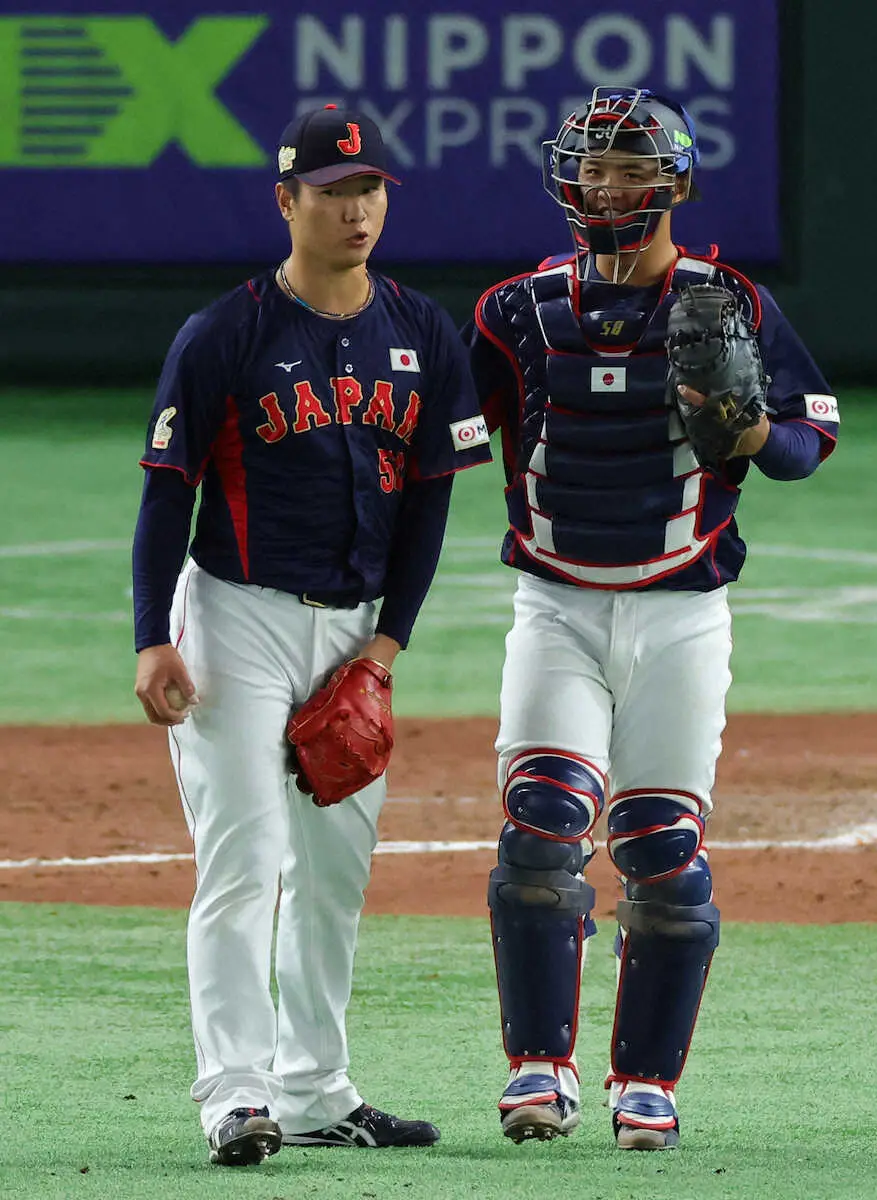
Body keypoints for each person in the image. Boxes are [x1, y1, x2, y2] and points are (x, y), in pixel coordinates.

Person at [463, 86, 840, 1151]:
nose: (607, 185)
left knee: (661, 848)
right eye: (591, 167)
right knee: (539, 830)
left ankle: (646, 1084)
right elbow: (441, 432)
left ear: (673, 181)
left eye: (628, 168)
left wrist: (753, 427)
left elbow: (808, 447)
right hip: (555, 605)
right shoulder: (513, 312)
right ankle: (538, 1068)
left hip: (682, 610)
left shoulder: (732, 300)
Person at [132, 104, 492, 1167]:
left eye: (369, 188)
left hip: (353, 637)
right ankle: (234, 1096)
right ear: (286, 201)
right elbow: (166, 494)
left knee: (335, 869)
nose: (355, 208)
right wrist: (155, 638)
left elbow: (430, 501)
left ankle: (313, 1087)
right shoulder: (225, 333)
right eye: (333, 191)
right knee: (248, 857)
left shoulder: (425, 332)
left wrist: (387, 649)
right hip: (235, 620)